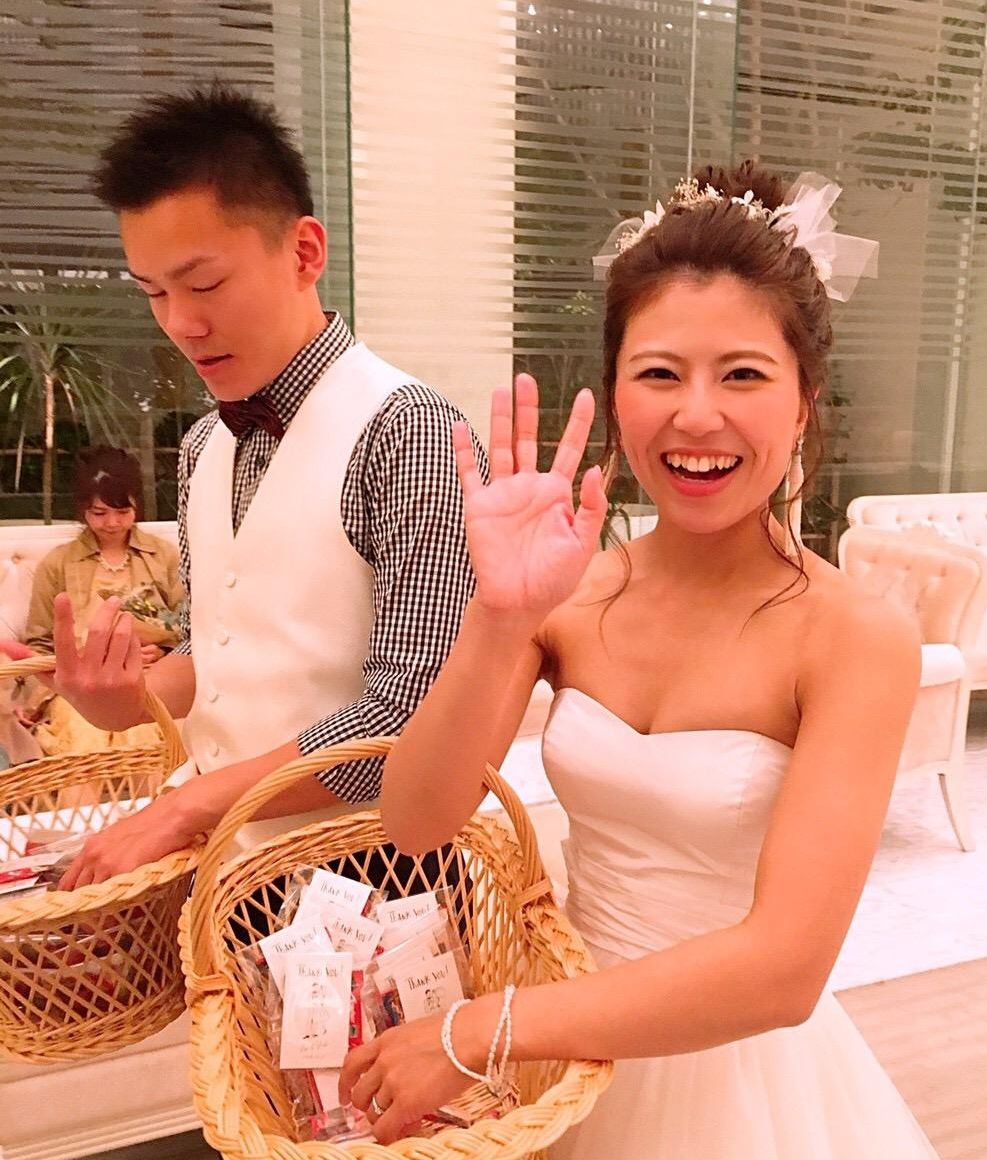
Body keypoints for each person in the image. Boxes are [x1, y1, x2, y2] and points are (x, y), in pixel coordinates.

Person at [338, 162, 939, 1158]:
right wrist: (497, 617)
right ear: (615, 393)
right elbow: (413, 821)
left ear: (803, 402)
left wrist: (483, 1029)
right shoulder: (568, 593)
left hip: (734, 1078)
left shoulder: (853, 635)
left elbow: (784, 969)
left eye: (742, 375)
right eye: (659, 373)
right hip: (565, 1056)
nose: (695, 415)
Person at [0, 83, 483, 890]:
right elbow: (222, 648)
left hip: (375, 889)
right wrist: (127, 697)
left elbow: (413, 717)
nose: (179, 323)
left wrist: (184, 807)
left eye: (205, 284)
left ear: (304, 252)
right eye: (154, 293)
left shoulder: (411, 432)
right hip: (229, 873)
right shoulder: (202, 447)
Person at [21, 446, 183, 755]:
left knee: (149, 736)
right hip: (82, 688)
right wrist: (42, 694)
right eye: (99, 513)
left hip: (152, 680)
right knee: (86, 737)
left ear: (137, 506)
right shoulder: (57, 564)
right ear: (82, 510)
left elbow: (190, 630)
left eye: (123, 512)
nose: (112, 523)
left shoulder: (164, 556)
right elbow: (38, 645)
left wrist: (163, 651)